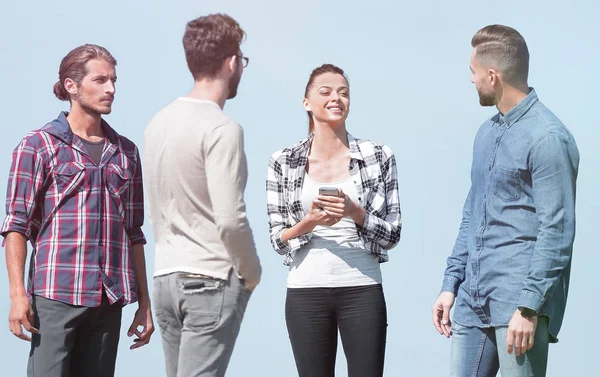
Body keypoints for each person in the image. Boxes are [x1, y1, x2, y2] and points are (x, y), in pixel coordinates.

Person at [431, 24, 579, 377]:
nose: (472, 80)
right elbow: (472, 213)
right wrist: (450, 285)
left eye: (473, 72)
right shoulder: (486, 133)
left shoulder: (548, 138)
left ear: (493, 76)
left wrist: (529, 307)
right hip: (471, 299)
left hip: (518, 300)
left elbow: (557, 230)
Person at [1, 44, 153, 377]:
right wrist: (16, 296)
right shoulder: (38, 146)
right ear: (71, 85)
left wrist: (145, 302)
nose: (110, 89)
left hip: (109, 298)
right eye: (100, 80)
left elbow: (134, 232)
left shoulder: (126, 152)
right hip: (56, 294)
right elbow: (16, 226)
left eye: (113, 80)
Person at [143, 13, 262, 377]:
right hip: (209, 276)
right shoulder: (222, 128)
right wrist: (251, 271)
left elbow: (156, 208)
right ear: (231, 62)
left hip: (165, 277)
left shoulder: (157, 123)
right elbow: (229, 218)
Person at [266, 64, 401, 377]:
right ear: (307, 103)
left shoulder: (378, 155)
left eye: (343, 92)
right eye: (325, 91)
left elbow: (393, 234)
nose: (336, 98)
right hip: (305, 291)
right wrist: (309, 223)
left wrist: (355, 214)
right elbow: (277, 239)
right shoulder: (282, 161)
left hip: (362, 288)